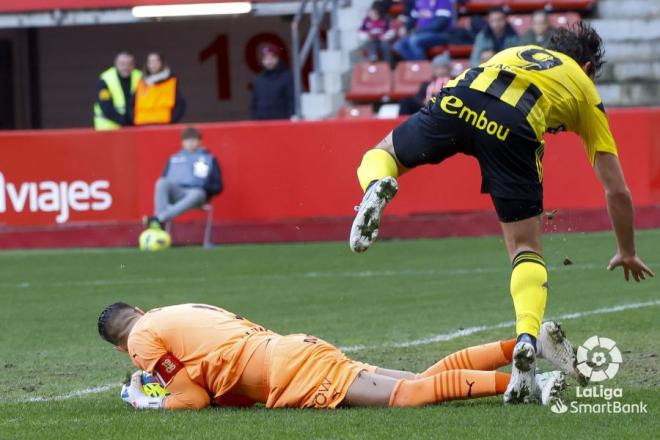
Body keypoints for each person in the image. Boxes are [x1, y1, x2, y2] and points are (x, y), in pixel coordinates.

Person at [348, 22, 654, 403]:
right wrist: (626, 249)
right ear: (588, 66)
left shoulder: (517, 51)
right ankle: (527, 338)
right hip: (516, 123)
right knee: (525, 247)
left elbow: (472, 83)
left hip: (461, 95)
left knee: (382, 154)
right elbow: (617, 190)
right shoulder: (584, 88)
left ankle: (378, 184)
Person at [98, 302, 579, 410]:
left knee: (407, 397)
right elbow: (213, 386)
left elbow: (192, 402)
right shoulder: (170, 312)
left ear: (121, 345)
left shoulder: (142, 340)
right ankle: (531, 346)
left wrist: (145, 399)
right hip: (287, 351)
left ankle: (530, 384)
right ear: (139, 308)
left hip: (286, 368)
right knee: (417, 377)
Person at [144, 126, 222, 230]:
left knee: (197, 193)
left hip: (196, 195)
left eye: (193, 140)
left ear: (199, 142)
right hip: (177, 193)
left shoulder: (208, 159)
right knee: (161, 182)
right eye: (187, 140)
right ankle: (159, 221)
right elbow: (165, 179)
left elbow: (218, 186)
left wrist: (204, 187)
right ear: (182, 142)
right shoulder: (174, 158)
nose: (190, 143)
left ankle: (158, 219)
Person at [134, 52, 186, 126]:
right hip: (142, 125)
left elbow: (181, 104)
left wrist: (171, 120)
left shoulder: (170, 81)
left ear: (162, 63)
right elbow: (132, 104)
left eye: (156, 61)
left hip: (163, 125)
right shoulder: (141, 82)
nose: (153, 65)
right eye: (150, 62)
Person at [94, 51, 142, 130]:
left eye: (129, 64)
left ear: (133, 64)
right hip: (109, 128)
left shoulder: (140, 77)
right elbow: (105, 105)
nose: (126, 67)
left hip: (134, 126)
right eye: (122, 64)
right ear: (116, 63)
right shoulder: (106, 79)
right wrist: (124, 121)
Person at [250, 44, 294, 120]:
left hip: (281, 122)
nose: (269, 61)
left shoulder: (287, 76)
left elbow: (291, 101)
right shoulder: (259, 79)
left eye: (272, 57)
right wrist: (254, 120)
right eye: (266, 58)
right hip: (262, 123)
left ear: (278, 58)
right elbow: (254, 103)